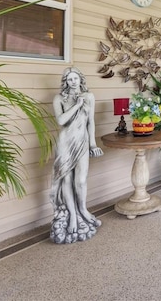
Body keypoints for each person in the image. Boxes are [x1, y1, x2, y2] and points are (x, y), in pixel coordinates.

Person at [49, 67, 103, 244]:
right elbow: (61, 121)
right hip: (65, 143)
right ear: (66, 81)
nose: (73, 82)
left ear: (81, 79)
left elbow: (91, 121)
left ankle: (83, 210)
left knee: (80, 180)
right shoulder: (59, 98)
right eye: (70, 79)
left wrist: (93, 144)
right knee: (66, 180)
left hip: (82, 142)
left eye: (76, 78)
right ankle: (72, 215)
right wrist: (77, 106)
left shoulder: (89, 96)